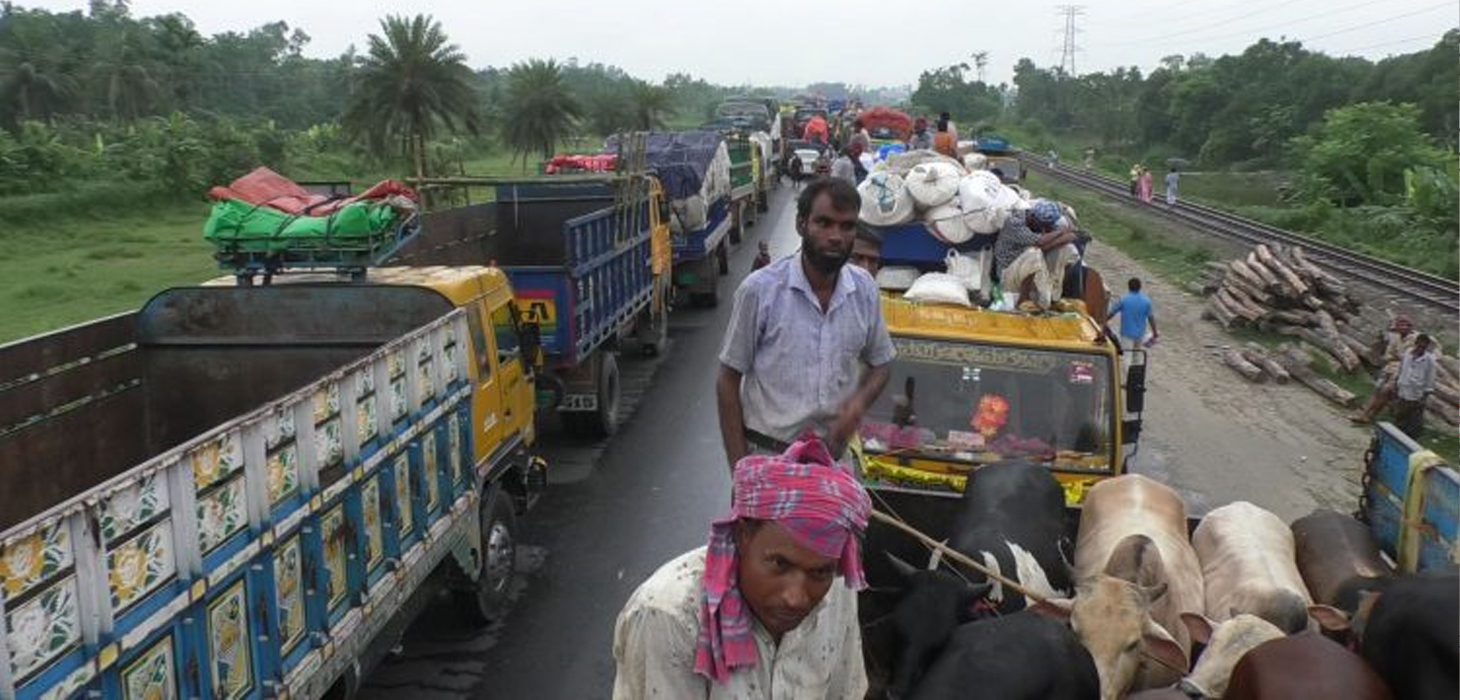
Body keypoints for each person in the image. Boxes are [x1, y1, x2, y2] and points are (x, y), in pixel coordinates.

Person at [611, 437, 872, 699]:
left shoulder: (837, 589)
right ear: (742, 535)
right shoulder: (671, 617)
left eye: (818, 573)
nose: (795, 598)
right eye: (779, 564)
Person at [717, 179, 895, 468]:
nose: (836, 236)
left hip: (832, 465)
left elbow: (882, 364)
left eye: (846, 226)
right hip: (769, 461)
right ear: (801, 225)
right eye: (824, 223)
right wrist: (740, 471)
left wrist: (856, 407)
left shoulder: (864, 290)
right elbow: (727, 379)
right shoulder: (760, 291)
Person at [993, 200, 1078, 312]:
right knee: (1034, 253)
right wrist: (1061, 233)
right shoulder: (1014, 223)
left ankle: (1055, 295)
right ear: (1033, 216)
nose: (1045, 229)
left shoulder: (1037, 219)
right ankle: (1022, 301)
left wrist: (1065, 233)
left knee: (1068, 250)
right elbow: (1040, 243)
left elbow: (1071, 231)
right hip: (1008, 272)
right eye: (1043, 225)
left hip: (1028, 269)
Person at [1352, 315, 1420, 423]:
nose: (1403, 327)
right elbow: (1387, 356)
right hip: (1389, 368)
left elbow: (1409, 358)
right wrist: (1397, 357)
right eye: (1400, 325)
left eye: (1406, 325)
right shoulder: (1396, 338)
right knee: (1377, 390)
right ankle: (1364, 414)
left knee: (1385, 391)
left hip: (1403, 371)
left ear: (1411, 327)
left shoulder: (1416, 339)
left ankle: (1370, 415)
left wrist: (1397, 357)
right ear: (1397, 326)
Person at [1392, 333, 1437, 439]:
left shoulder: (1430, 360)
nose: (1421, 349)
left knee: (1414, 418)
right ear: (1415, 343)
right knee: (1400, 413)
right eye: (1419, 346)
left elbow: (1430, 380)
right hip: (1403, 387)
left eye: (1424, 347)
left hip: (1417, 393)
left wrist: (1424, 397)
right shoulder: (1408, 353)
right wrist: (1396, 383)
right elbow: (1402, 368)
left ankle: (1411, 437)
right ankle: (1397, 433)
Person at [1107, 277, 1159, 351]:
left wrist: (1103, 322)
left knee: (1127, 357)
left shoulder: (1124, 300)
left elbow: (1111, 313)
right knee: (1137, 357)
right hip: (1140, 334)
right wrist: (1155, 332)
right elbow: (1151, 318)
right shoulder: (1146, 301)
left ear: (1129, 287)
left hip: (1126, 334)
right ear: (1140, 287)